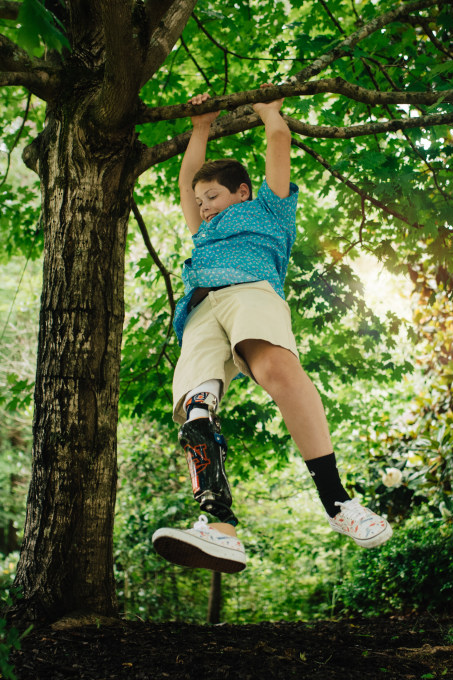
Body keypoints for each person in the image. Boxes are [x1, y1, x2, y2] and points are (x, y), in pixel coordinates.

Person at [151, 88, 392, 574]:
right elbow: (185, 183)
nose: (203, 207)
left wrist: (269, 111)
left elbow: (278, 143)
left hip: (250, 293)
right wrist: (200, 128)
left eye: (212, 196)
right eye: (199, 202)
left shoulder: (268, 210)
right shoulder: (203, 230)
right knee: (195, 411)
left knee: (278, 372)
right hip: (198, 313)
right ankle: (220, 529)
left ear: (241, 192)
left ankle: (339, 503)